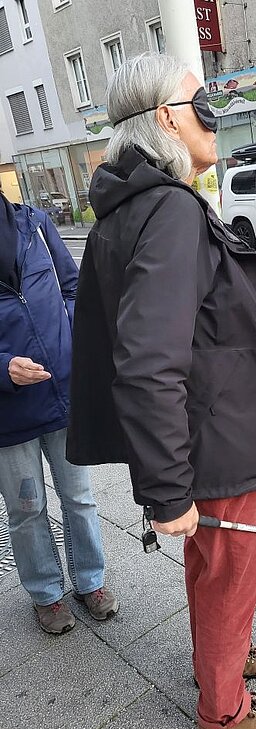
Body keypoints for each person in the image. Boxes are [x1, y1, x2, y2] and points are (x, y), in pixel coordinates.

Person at [66, 53, 256, 729]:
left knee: (214, 570)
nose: (215, 119)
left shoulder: (132, 205)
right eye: (201, 104)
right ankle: (224, 710)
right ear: (166, 119)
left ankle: (220, 667)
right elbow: (145, 360)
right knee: (231, 574)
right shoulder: (167, 210)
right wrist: (168, 490)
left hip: (203, 428)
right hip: (213, 434)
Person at [0, 193, 118, 635]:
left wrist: (69, 338)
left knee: (80, 496)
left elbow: (73, 288)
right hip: (8, 413)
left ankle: (91, 582)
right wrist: (4, 368)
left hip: (62, 394)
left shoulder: (34, 224)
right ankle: (46, 594)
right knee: (27, 507)